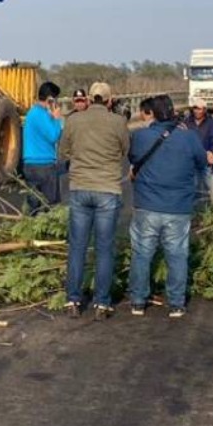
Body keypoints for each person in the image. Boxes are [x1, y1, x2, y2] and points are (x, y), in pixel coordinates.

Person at [127, 95, 209, 319]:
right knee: (177, 255)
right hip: (178, 207)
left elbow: (133, 159)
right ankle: (176, 303)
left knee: (142, 254)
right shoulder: (189, 137)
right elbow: (203, 164)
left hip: (146, 205)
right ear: (173, 112)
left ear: (151, 113)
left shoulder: (141, 136)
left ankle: (138, 301)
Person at [60, 81, 130, 320]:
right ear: (110, 100)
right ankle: (102, 303)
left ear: (89, 99)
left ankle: (72, 299)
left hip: (80, 187)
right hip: (107, 189)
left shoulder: (73, 121)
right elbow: (124, 151)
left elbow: (64, 152)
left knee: (77, 247)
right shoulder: (119, 122)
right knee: (104, 249)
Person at [22, 81, 64, 214]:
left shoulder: (31, 113)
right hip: (44, 166)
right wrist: (57, 119)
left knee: (33, 206)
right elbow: (54, 136)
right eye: (55, 99)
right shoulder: (41, 114)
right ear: (50, 99)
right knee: (51, 207)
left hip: (30, 165)